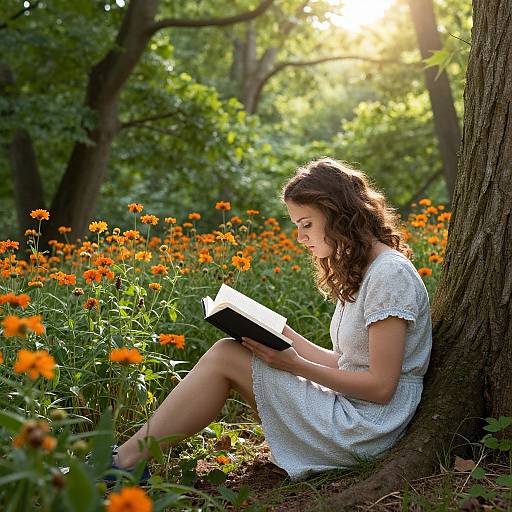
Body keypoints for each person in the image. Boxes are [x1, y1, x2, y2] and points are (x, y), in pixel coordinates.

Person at [111, 157, 432, 481]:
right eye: (296, 225)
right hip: (352, 411)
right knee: (229, 350)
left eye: (306, 223)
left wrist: (294, 365)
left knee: (226, 355)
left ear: (337, 214)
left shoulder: (389, 275)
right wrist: (282, 334)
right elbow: (347, 363)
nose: (300, 237)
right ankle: (126, 460)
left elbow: (380, 387)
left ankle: (122, 464)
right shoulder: (365, 271)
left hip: (366, 430)